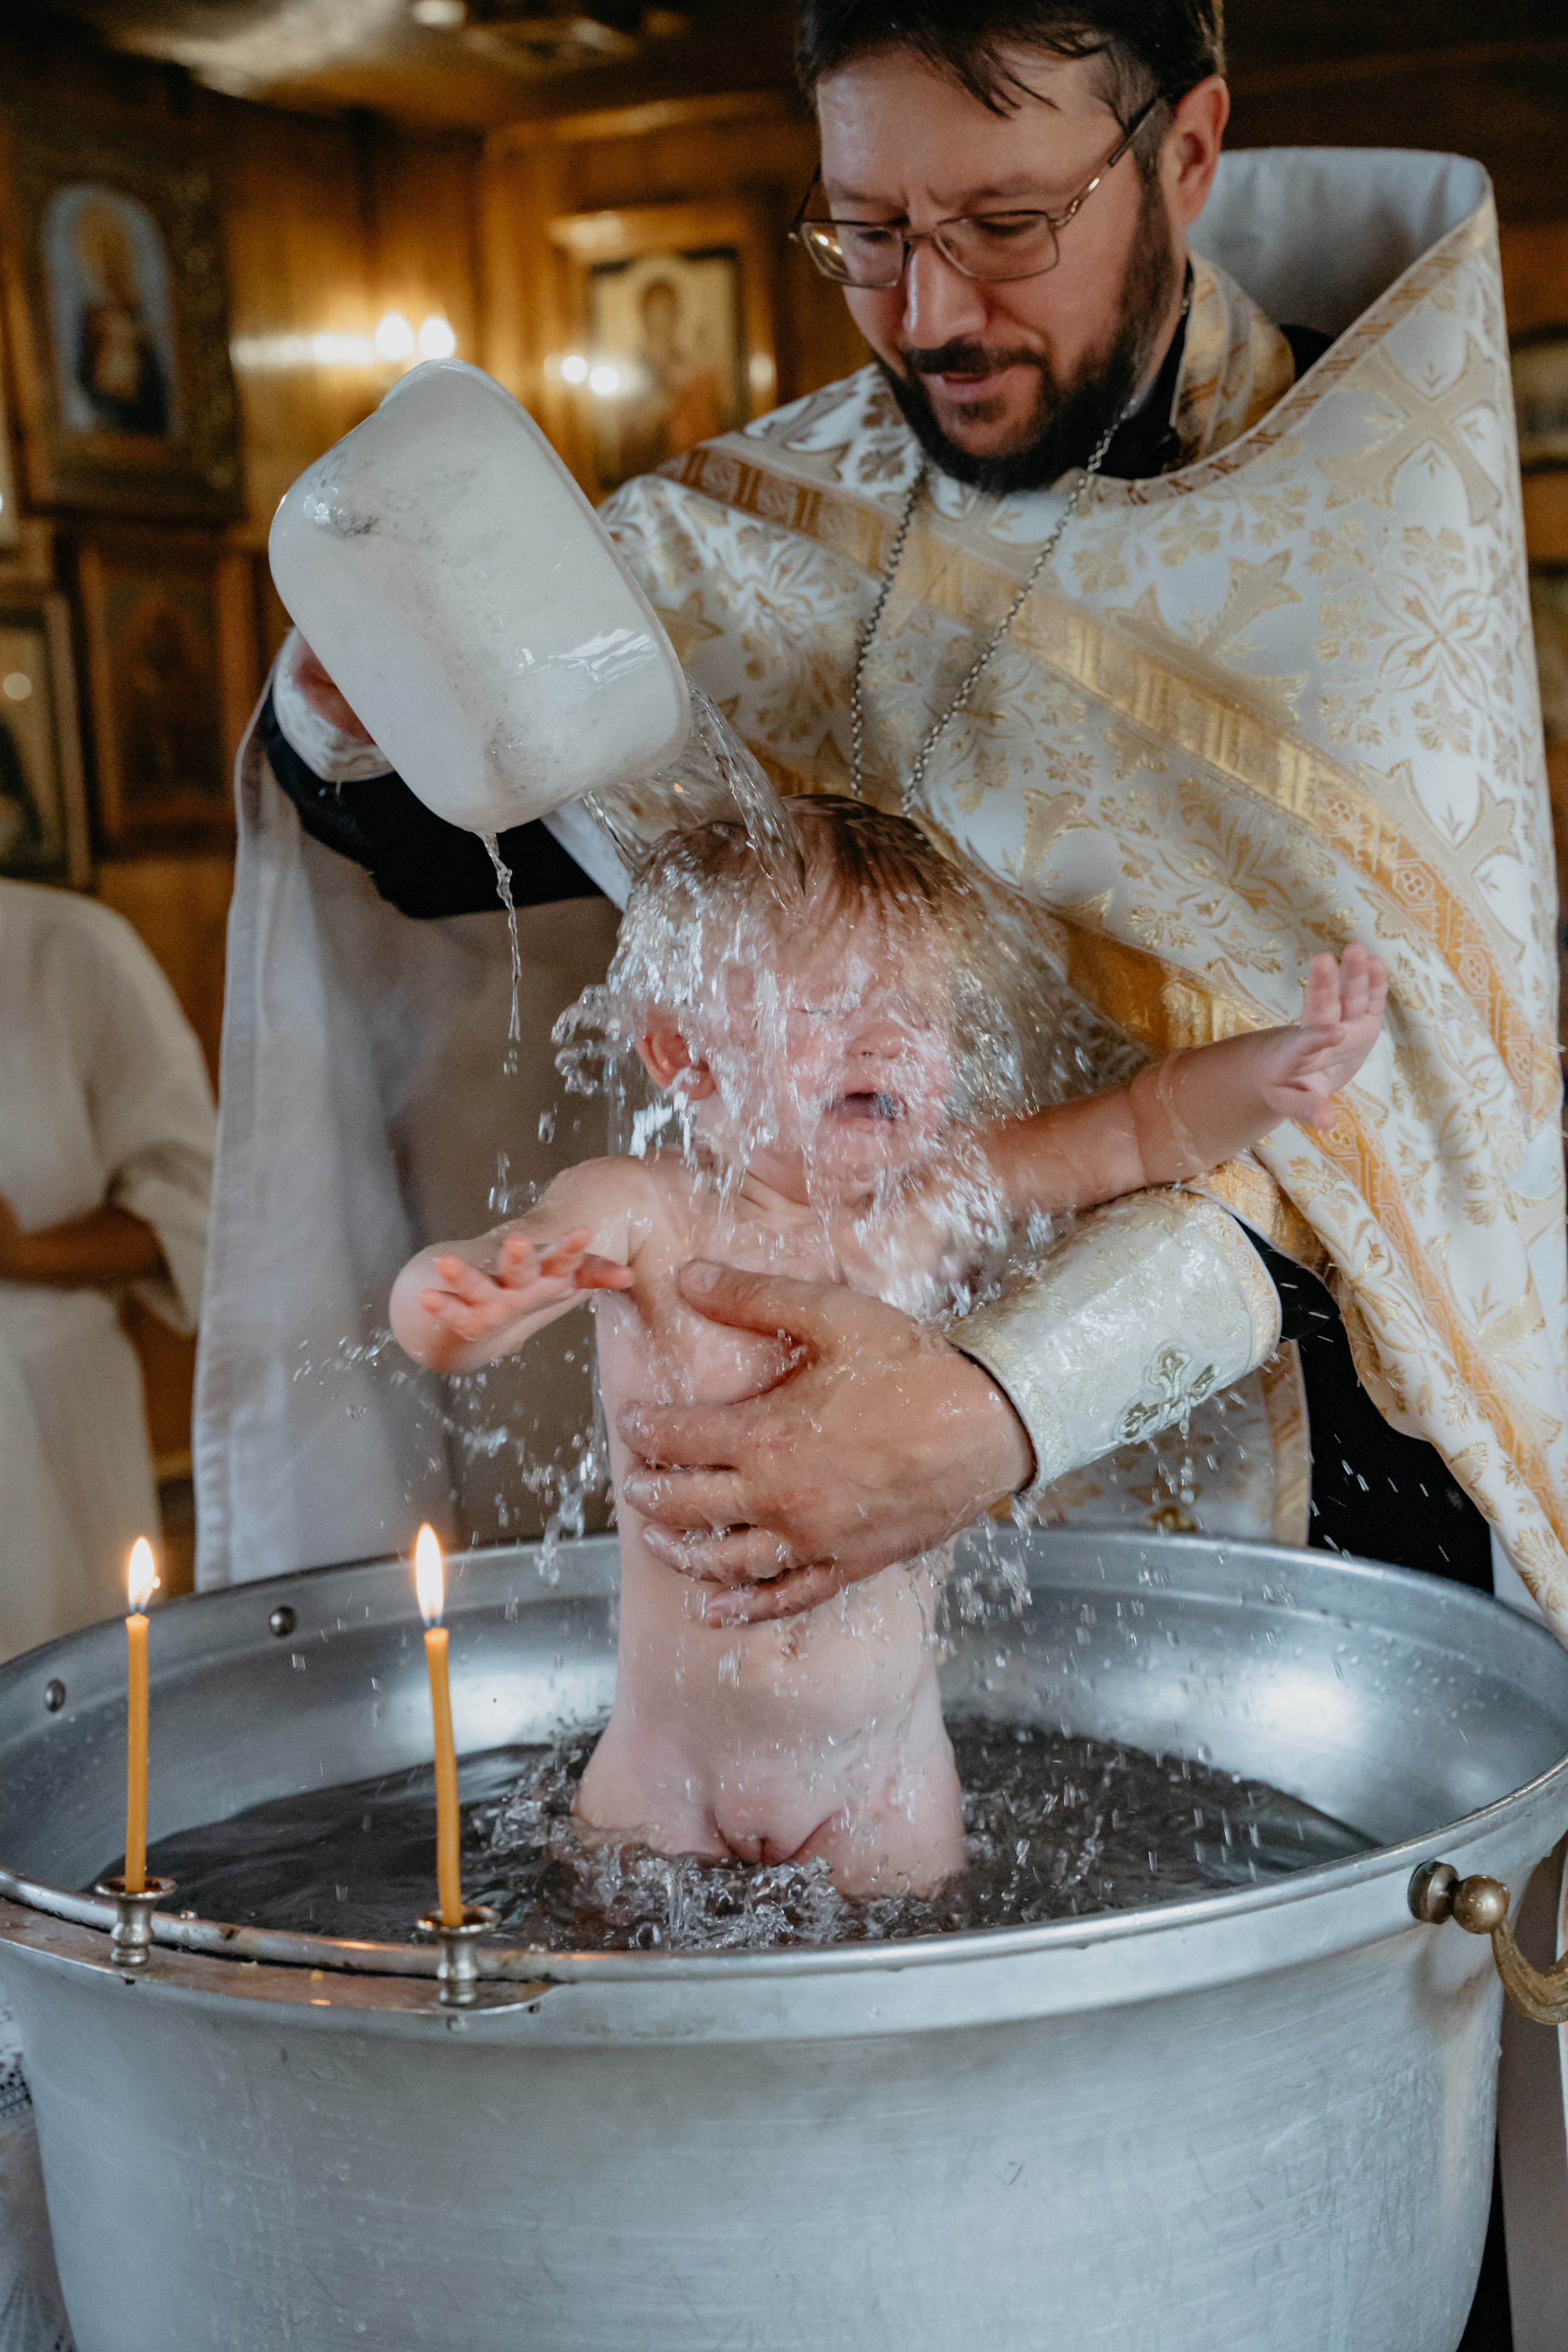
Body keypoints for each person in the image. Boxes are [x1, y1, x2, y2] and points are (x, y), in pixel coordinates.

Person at [391, 797, 1384, 1893]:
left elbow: (1144, 1126)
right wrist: (466, 1299)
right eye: (830, 1007)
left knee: (913, 1967)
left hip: (883, 1777)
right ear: (686, 1055)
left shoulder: (941, 1199)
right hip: (663, 1773)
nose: (887, 1042)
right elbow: (459, 1300)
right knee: (625, 1976)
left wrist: (1277, 1068)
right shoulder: (642, 1209)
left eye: (924, 1014)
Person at [0, 875, 213, 1659]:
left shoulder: (65, 947)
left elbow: (201, 1209)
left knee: (76, 1692)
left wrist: (22, 1255)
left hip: (57, 1420)